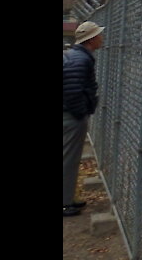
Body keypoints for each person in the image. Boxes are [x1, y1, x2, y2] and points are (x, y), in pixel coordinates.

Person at [63, 20, 104, 217]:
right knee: (68, 159)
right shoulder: (81, 60)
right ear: (92, 39)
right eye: (99, 35)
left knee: (68, 158)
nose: (101, 38)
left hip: (69, 113)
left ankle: (68, 198)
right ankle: (64, 203)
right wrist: (81, 112)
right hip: (72, 116)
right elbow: (72, 90)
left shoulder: (76, 56)